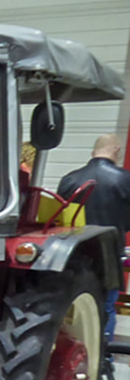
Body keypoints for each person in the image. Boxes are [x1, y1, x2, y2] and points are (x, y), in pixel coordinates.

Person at [57, 134, 130, 341]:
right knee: (105, 307)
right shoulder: (125, 180)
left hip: (72, 254)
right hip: (110, 254)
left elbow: (59, 217)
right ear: (116, 150)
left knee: (68, 305)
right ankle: (103, 352)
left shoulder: (70, 179)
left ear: (92, 152)